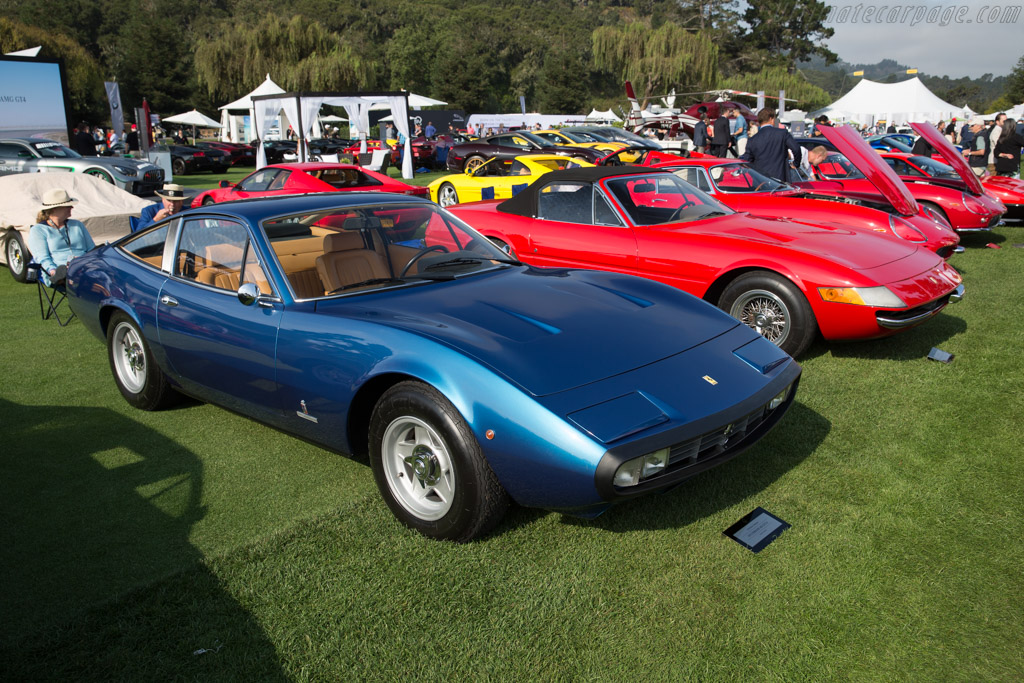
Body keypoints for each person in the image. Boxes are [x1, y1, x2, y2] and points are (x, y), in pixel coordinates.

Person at [27, 189, 96, 287]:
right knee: (67, 272)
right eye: (67, 206)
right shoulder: (38, 230)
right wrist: (52, 270)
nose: (72, 207)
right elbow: (42, 258)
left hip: (84, 265)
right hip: (59, 269)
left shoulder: (77, 225)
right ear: (54, 209)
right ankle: (62, 276)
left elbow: (91, 249)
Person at [740, 107, 804, 182]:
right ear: (771, 119)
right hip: (780, 179)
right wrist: (796, 164)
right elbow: (796, 148)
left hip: (760, 180)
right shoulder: (782, 133)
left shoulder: (752, 139)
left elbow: (747, 160)